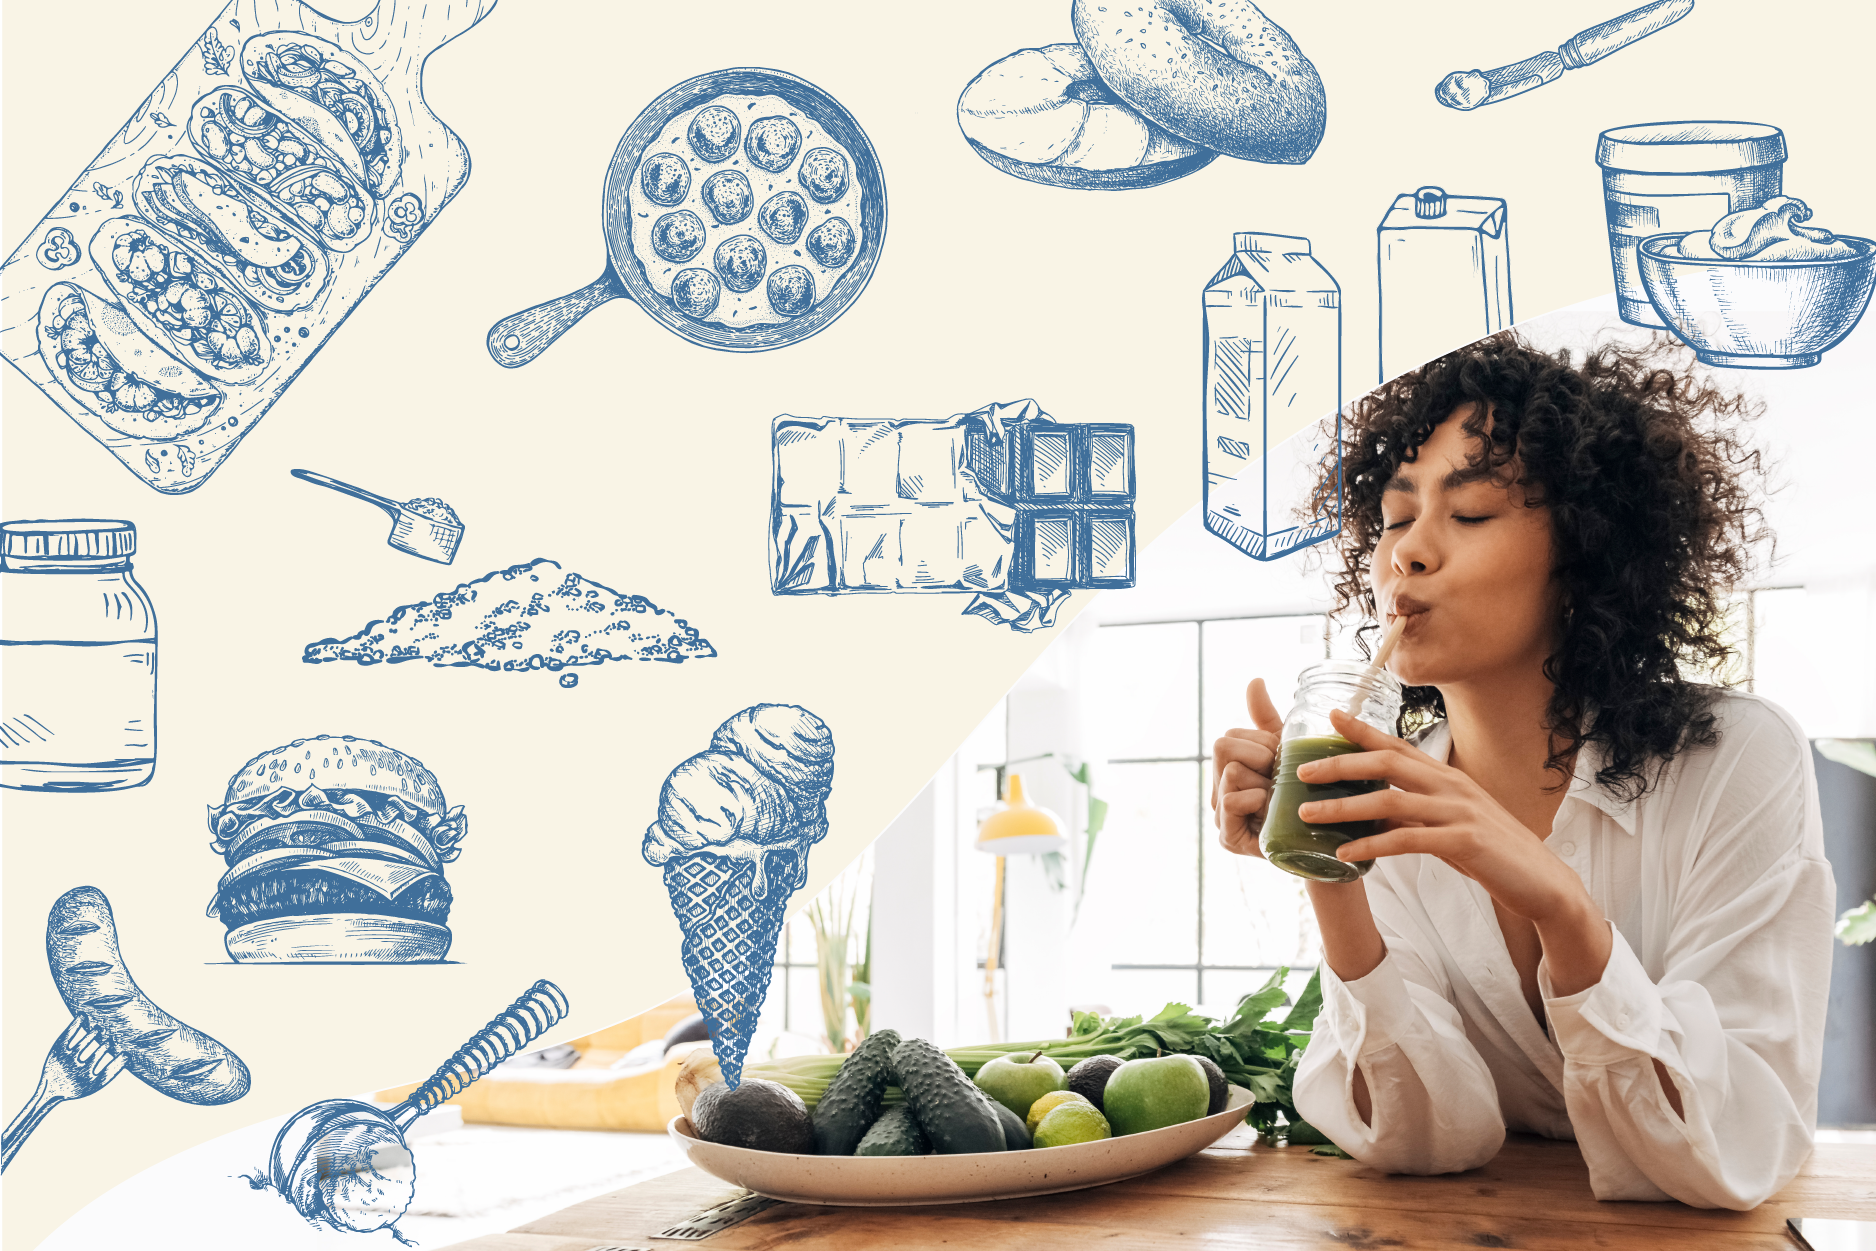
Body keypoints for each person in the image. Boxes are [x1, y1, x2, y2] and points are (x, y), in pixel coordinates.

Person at [1210, 332, 1836, 1208]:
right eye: (1395, 518)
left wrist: (1562, 906)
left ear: (1584, 552)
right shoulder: (1385, 795)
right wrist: (1329, 865)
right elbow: (1422, 1139)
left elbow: (1736, 1147)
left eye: (1468, 515)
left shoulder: (1736, 760)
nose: (1408, 554)